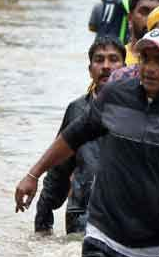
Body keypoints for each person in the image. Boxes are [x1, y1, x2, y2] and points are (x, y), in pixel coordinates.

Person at [14, 29, 159, 257]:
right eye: (145, 59)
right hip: (102, 237)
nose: (150, 68)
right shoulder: (114, 97)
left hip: (153, 248)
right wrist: (33, 175)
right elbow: (70, 138)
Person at [34, 36, 126, 235]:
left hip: (124, 216)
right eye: (99, 60)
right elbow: (59, 168)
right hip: (81, 215)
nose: (106, 66)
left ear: (125, 67)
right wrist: (43, 219)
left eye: (113, 59)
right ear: (90, 69)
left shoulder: (138, 109)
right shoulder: (77, 110)